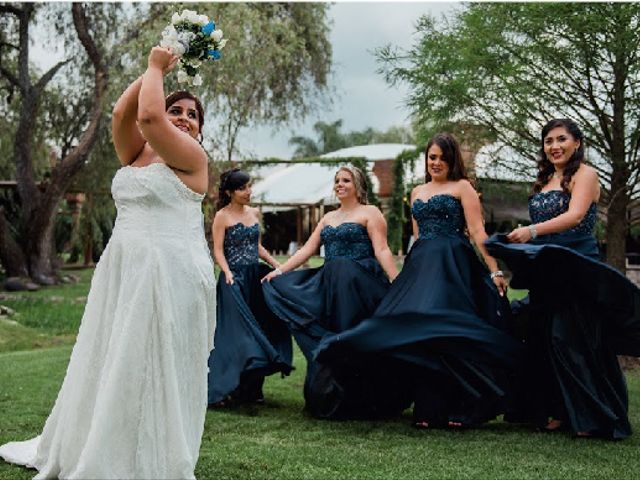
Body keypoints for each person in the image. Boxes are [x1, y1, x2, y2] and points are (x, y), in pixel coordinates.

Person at [0, 46, 216, 479]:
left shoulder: (193, 160)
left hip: (169, 270)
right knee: (112, 354)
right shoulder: (134, 154)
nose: (184, 117)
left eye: (193, 115)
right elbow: (125, 113)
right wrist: (157, 65)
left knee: (155, 360)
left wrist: (157, 68)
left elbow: (150, 118)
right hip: (124, 268)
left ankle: (151, 455)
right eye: (177, 107)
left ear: (199, 133)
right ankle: (100, 440)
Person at [316, 133, 523, 429]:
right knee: (418, 329)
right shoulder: (416, 192)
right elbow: (417, 235)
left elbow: (477, 232)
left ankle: (469, 404)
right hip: (422, 263)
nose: (436, 162)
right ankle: (428, 407)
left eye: (442, 157)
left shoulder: (463, 187)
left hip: (453, 264)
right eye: (432, 157)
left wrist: (495, 270)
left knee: (448, 330)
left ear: (452, 160)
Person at [486, 118, 640, 439]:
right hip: (547, 267)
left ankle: (592, 416)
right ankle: (554, 411)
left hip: (576, 266)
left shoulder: (586, 174)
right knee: (542, 336)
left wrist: (530, 231)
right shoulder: (544, 180)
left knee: (569, 338)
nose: (554, 146)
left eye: (561, 139)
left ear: (577, 143)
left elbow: (575, 215)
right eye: (548, 141)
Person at [262, 166, 409, 419]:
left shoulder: (370, 212)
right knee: (334, 336)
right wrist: (279, 271)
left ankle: (366, 401)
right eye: (337, 180)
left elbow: (382, 250)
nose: (339, 184)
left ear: (358, 185)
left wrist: (398, 282)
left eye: (346, 180)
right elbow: (306, 250)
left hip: (358, 286)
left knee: (354, 336)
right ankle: (330, 397)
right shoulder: (328, 218)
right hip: (330, 287)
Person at [207, 168, 293, 407]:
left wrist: (278, 266)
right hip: (233, 281)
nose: (248, 192)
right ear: (229, 192)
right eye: (242, 188)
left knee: (261, 328)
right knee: (235, 336)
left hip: (254, 278)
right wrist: (226, 272)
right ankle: (222, 388)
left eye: (249, 186)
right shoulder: (222, 216)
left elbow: (258, 247)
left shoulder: (254, 212)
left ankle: (252, 390)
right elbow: (218, 250)